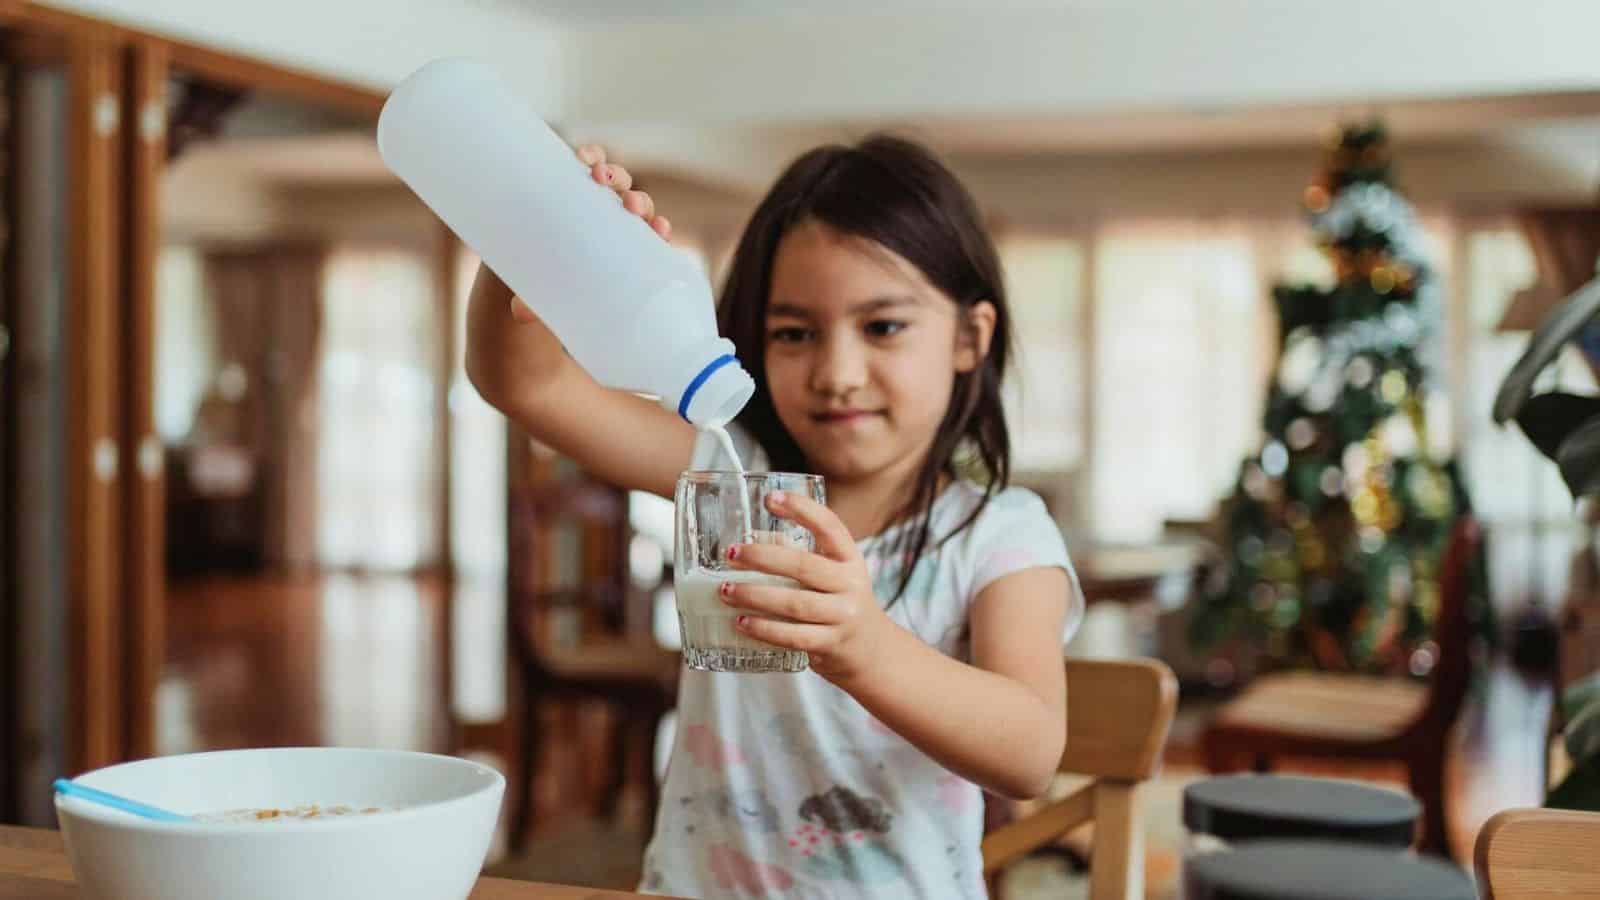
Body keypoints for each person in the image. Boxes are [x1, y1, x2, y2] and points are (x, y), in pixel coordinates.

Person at [465, 134, 1082, 899]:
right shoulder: (732, 474)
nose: (837, 373)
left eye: (883, 327)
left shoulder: (999, 536)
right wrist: (526, 242)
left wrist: (863, 644)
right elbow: (527, 387)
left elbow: (1029, 753)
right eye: (795, 333)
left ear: (969, 338)